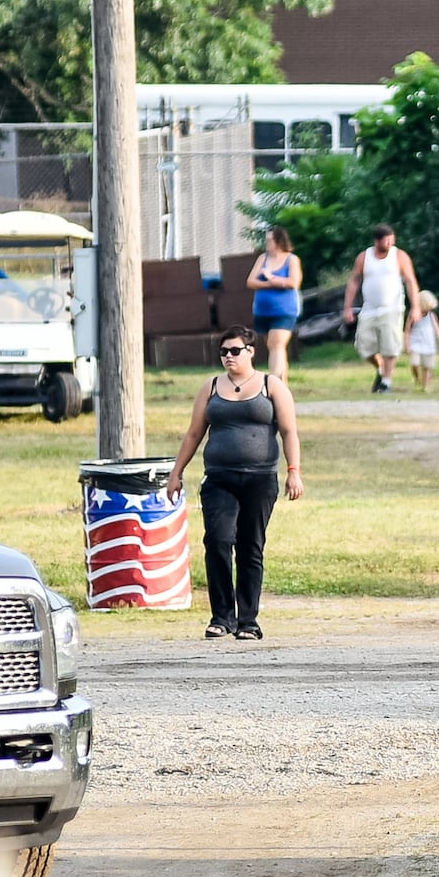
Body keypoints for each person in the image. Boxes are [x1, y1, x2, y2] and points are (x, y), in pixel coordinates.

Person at [167, 326, 305, 640]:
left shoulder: (272, 385)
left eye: (235, 351)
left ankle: (248, 621)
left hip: (259, 479)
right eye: (223, 352)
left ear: (251, 351)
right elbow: (193, 433)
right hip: (219, 479)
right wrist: (177, 473)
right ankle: (221, 617)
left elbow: (289, 432)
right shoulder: (212, 387)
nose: (228, 357)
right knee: (217, 542)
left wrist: (293, 470)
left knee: (250, 547)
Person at [342, 223, 421, 393]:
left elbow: (410, 281)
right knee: (364, 346)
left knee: (390, 346)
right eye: (387, 241)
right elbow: (354, 281)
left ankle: (386, 381)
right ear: (377, 241)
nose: (390, 244)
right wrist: (347, 307)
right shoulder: (364, 257)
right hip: (369, 309)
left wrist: (415, 307)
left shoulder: (399, 256)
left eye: (392, 240)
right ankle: (380, 368)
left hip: (392, 308)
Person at [248, 226, 303, 378]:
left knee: (276, 343)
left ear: (279, 241)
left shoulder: (292, 260)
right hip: (263, 311)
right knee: (274, 348)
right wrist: (270, 283)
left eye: (270, 239)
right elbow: (251, 282)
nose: (267, 242)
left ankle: (273, 382)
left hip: (284, 310)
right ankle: (282, 387)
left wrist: (270, 277)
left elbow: (293, 282)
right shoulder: (262, 259)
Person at [404, 289, 439, 392]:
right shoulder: (413, 315)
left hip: (428, 344)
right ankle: (417, 379)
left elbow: (438, 330)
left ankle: (425, 386)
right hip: (415, 343)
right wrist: (407, 344)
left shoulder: (432, 316)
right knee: (414, 363)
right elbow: (407, 330)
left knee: (427, 366)